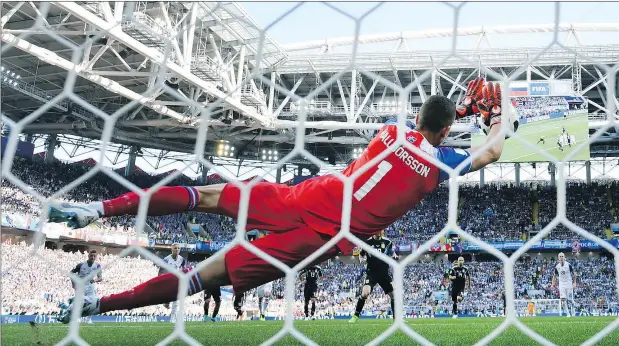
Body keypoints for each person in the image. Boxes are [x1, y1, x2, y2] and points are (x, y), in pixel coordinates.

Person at [51, 77, 511, 323]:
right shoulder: (438, 168)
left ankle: (96, 210)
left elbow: (428, 125)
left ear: (417, 117)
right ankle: (95, 307)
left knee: (206, 196)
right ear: (448, 133)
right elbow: (491, 150)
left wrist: (464, 109)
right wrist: (498, 113)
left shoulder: (391, 132)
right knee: (205, 276)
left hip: (310, 197)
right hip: (326, 238)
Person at [349, 231, 398, 323]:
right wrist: (362, 259)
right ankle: (355, 316)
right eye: (377, 230)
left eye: (381, 230)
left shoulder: (388, 242)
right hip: (371, 273)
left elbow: (392, 252)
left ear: (383, 231)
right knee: (365, 293)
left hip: (384, 274)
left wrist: (394, 255)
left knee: (394, 296)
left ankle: (396, 319)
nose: (379, 232)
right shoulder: (367, 243)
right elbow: (361, 254)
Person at [160, 243, 187, 323]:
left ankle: (172, 319)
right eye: (175, 248)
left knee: (176, 300)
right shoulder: (166, 259)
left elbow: (184, 269)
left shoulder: (182, 259)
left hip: (177, 280)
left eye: (178, 248)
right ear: (171, 249)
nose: (177, 249)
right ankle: (166, 302)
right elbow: (161, 270)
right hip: (168, 280)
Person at [552, 252, 577, 317]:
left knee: (570, 300)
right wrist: (553, 284)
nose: (561, 257)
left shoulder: (568, 265)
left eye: (562, 256)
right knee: (563, 300)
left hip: (569, 284)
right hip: (562, 284)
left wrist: (574, 283)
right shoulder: (557, 267)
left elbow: (574, 274)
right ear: (558, 258)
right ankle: (568, 314)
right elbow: (554, 276)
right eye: (560, 256)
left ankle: (573, 313)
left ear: (564, 257)